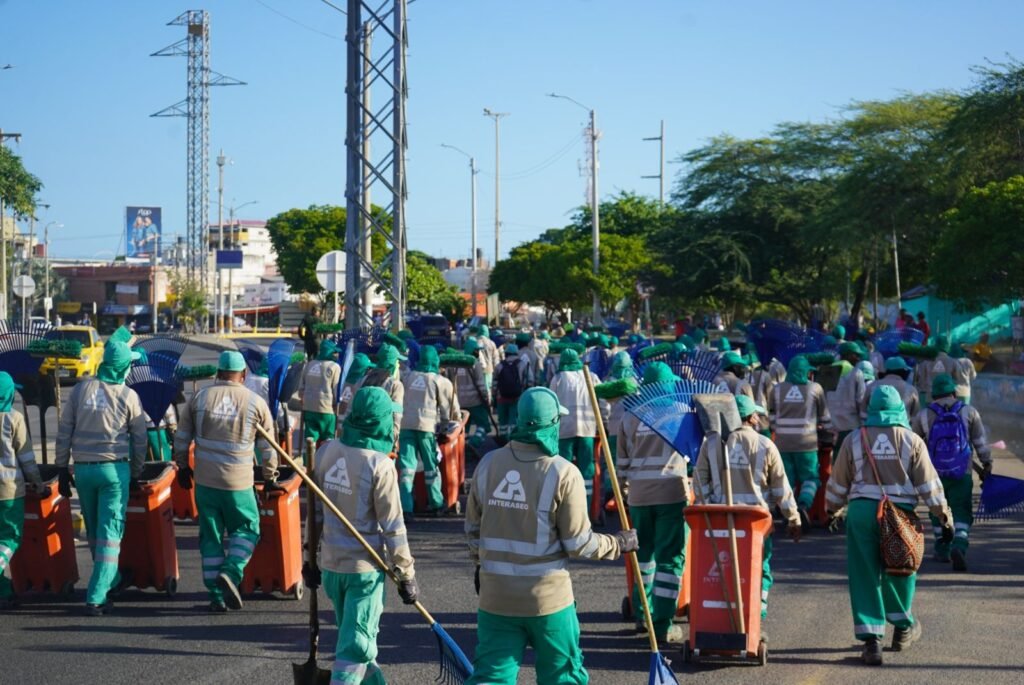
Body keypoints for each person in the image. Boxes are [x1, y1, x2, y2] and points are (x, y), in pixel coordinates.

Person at [465, 387, 638, 684]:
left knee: (491, 677)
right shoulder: (563, 472)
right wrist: (618, 543)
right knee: (562, 677)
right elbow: (579, 543)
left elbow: (472, 531)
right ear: (552, 424)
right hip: (548, 602)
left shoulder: (488, 464)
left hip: (495, 598)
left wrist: (483, 564)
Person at [826, 385, 953, 666]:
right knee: (901, 568)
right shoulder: (912, 440)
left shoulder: (854, 439)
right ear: (901, 408)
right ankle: (903, 627)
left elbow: (838, 482)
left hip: (861, 513)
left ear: (871, 408)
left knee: (864, 574)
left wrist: (832, 509)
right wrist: (944, 517)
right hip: (900, 515)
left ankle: (872, 642)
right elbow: (929, 485)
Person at [305, 386, 419, 684]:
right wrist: (405, 573)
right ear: (380, 421)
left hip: (332, 568)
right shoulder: (379, 464)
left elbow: (314, 514)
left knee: (355, 642)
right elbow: (393, 526)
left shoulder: (327, 451)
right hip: (363, 573)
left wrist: (309, 558)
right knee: (355, 646)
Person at [173, 350, 279, 612]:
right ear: (243, 374)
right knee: (248, 529)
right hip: (238, 484)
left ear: (218, 373)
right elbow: (268, 449)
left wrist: (183, 468)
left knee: (210, 537)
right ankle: (231, 573)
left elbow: (182, 437)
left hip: (206, 483)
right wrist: (270, 478)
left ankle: (216, 596)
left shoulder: (199, 398)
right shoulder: (255, 403)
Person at [56, 341, 148, 615]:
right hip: (113, 472)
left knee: (95, 531)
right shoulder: (128, 395)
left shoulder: (80, 389)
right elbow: (140, 440)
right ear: (122, 367)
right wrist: (136, 473)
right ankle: (96, 595)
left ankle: (115, 579)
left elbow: (64, 431)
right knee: (110, 535)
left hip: (83, 471)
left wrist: (62, 468)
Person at [694, 395, 801, 620]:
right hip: (756, 521)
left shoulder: (712, 443)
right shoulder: (765, 444)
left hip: (719, 518)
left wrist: (708, 507)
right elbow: (781, 487)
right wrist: (793, 518)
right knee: (758, 569)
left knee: (721, 568)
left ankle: (720, 615)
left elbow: (699, 482)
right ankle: (755, 616)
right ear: (751, 417)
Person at [616, 362, 691, 642]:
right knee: (670, 559)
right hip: (672, 494)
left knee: (643, 556)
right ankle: (661, 624)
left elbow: (622, 463)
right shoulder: (682, 413)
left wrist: (625, 492)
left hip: (639, 495)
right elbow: (693, 454)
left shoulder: (630, 415)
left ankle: (642, 614)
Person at [911, 373, 992, 571]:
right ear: (954, 391)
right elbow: (980, 442)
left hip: (933, 474)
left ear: (934, 394)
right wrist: (987, 464)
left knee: (937, 510)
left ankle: (942, 547)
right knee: (961, 509)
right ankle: (960, 545)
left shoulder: (923, 415)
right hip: (961, 473)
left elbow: (913, 445)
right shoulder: (969, 411)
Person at [766, 355, 831, 528]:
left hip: (783, 444)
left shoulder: (777, 389)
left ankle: (790, 512)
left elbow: (771, 417)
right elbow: (825, 418)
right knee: (811, 478)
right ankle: (804, 505)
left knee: (787, 480)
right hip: (807, 444)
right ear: (805, 372)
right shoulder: (815, 388)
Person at [0, 372, 46, 610]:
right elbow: (27, 458)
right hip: (7, 492)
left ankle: (4, 590)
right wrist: (38, 483)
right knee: (10, 537)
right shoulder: (13, 418)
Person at [398, 346, 458, 516]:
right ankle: (436, 503)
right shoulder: (439, 381)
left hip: (406, 426)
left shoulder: (408, 377)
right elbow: (448, 411)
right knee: (431, 466)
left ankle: (406, 507)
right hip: (426, 428)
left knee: (407, 468)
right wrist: (446, 427)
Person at [548, 348, 599, 512]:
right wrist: (602, 422)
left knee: (564, 470)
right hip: (587, 430)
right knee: (586, 471)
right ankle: (587, 510)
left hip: (564, 432)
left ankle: (566, 509)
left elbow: (551, 406)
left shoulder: (558, 379)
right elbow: (602, 401)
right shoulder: (590, 376)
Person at [361, 343, 406, 454]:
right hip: (382, 441)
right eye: (397, 362)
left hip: (361, 439)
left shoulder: (362, 380)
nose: (399, 365)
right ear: (393, 364)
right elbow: (396, 416)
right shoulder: (395, 385)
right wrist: (394, 443)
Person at [300, 340, 342, 448]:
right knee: (327, 440)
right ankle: (323, 463)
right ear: (329, 352)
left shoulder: (309, 365)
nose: (336, 355)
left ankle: (308, 463)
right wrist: (337, 405)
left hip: (308, 408)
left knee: (310, 439)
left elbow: (301, 389)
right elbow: (336, 389)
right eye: (334, 352)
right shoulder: (334, 367)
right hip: (326, 409)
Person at [828, 342, 868, 448]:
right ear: (847, 354)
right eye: (856, 355)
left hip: (831, 427)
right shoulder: (856, 373)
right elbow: (861, 401)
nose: (858, 358)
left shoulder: (828, 371)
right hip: (850, 427)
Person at [494, 344, 528, 442]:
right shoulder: (522, 364)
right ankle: (512, 439)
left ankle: (503, 439)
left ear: (506, 353)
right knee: (513, 419)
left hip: (501, 397)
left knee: (502, 420)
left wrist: (494, 396)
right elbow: (528, 381)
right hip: (516, 397)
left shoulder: (499, 365)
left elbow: (494, 383)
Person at [337, 352, 372, 421]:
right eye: (368, 368)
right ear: (363, 369)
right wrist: (340, 422)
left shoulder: (349, 381)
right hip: (351, 419)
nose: (370, 370)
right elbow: (343, 404)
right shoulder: (353, 384)